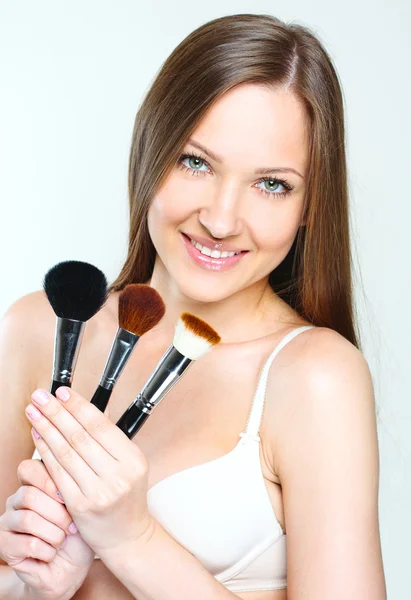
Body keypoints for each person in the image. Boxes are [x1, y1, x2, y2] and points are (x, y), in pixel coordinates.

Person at [0, 12, 387, 600]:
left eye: (272, 184)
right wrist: (35, 589)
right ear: (149, 152)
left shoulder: (314, 379)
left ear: (310, 206)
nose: (221, 219)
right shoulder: (43, 328)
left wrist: (133, 539)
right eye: (196, 162)